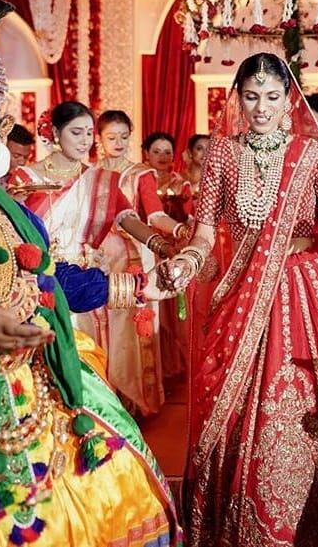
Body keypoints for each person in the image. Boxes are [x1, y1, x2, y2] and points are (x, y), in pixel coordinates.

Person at [0, 0, 182, 545]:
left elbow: (52, 280)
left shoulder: (9, 207)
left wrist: (138, 285)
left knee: (113, 483)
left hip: (39, 374)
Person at [158, 52, 318, 546]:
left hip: (304, 293)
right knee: (239, 406)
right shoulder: (223, 153)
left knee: (307, 408)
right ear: (237, 99)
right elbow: (205, 235)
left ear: (289, 99)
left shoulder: (312, 155)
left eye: (271, 96)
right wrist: (186, 262)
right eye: (251, 96)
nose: (261, 107)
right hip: (241, 293)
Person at [12, 102, 184, 361]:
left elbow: (128, 219)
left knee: (88, 359)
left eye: (89, 133)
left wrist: (164, 247)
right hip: (39, 282)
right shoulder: (25, 179)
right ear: (56, 133)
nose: (84, 141)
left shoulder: (99, 179)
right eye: (76, 132)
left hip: (86, 282)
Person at [95, 108, 187, 415]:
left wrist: (179, 230)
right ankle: (102, 397)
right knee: (99, 327)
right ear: (99, 139)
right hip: (97, 257)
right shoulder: (89, 173)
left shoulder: (140, 174)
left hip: (135, 255)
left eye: (124, 136)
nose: (119, 142)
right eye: (112, 137)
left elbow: (156, 215)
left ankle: (134, 402)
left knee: (133, 329)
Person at [142, 131, 189, 223]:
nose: (162, 156)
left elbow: (187, 219)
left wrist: (177, 199)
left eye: (167, 153)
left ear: (173, 156)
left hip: (174, 233)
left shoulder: (180, 183)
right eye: (156, 152)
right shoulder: (138, 179)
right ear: (146, 154)